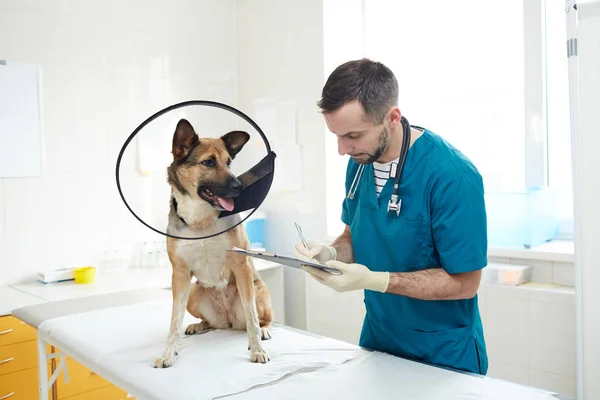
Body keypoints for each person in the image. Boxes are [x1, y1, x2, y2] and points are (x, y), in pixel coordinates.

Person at [293, 58, 488, 375]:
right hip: (378, 341)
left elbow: (466, 282)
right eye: (337, 136)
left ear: (392, 117)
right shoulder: (360, 163)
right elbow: (354, 236)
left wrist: (376, 280)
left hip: (440, 352)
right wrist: (329, 253)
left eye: (353, 136)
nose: (342, 149)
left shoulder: (452, 176)